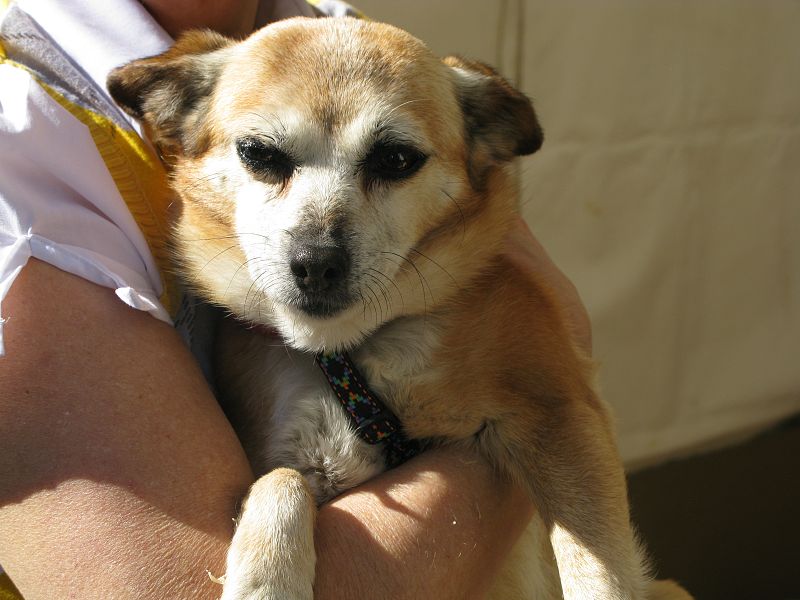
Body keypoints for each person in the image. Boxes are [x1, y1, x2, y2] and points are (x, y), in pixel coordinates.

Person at [0, 1, 591, 598]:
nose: (318, 252)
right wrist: (533, 421)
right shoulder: (16, 126)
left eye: (392, 161)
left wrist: (540, 411)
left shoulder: (348, 39)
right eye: (262, 154)